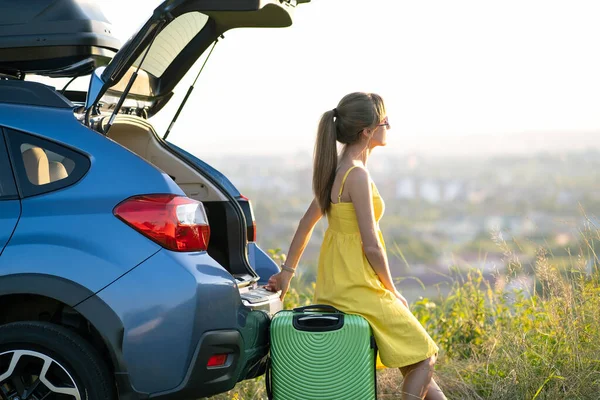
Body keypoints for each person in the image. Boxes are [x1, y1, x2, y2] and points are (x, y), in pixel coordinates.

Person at [265, 92, 447, 400]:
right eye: (385, 120)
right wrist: (392, 290)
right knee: (425, 357)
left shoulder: (336, 171)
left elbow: (304, 225)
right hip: (360, 290)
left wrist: (287, 273)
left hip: (336, 288)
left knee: (417, 371)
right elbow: (372, 246)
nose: (389, 126)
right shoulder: (357, 176)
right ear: (367, 130)